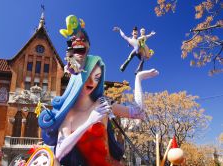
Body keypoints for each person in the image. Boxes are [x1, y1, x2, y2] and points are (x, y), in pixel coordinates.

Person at [38, 15, 159, 166]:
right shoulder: (69, 115)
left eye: (97, 77)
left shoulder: (103, 103)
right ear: (77, 79)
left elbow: (139, 113)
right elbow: (60, 152)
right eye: (88, 76)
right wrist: (89, 121)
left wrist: (138, 79)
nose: (92, 83)